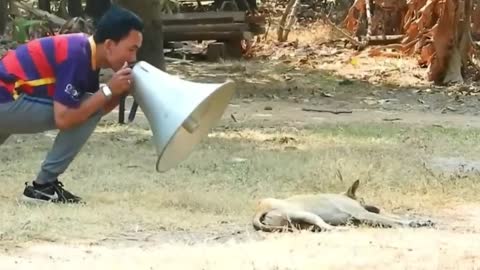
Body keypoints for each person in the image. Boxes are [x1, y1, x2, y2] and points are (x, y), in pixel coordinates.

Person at [0, 6, 144, 204]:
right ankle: (43, 187)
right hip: (7, 100)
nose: (133, 58)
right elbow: (66, 118)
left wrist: (119, 92)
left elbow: (96, 109)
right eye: (131, 49)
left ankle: (44, 187)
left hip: (8, 100)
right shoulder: (77, 54)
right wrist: (109, 90)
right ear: (110, 45)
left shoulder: (85, 52)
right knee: (85, 107)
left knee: (89, 106)